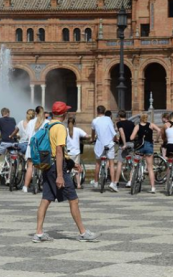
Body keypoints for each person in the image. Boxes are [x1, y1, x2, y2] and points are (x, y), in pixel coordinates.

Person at [33, 101, 100, 243]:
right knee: (74, 199)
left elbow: (58, 152)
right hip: (56, 168)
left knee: (46, 199)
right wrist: (60, 175)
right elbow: (58, 151)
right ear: (63, 114)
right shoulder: (60, 128)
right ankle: (83, 233)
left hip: (47, 165)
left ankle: (38, 233)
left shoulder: (47, 125)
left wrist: (71, 163)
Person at [129, 114, 161, 193]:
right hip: (149, 146)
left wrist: (137, 136)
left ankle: (130, 181)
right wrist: (156, 139)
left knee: (135, 165)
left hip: (140, 146)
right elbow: (159, 130)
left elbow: (131, 138)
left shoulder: (137, 126)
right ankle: (153, 187)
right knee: (150, 167)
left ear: (140, 119)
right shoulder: (151, 125)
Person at [22, 106, 49, 193]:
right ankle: (44, 185)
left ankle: (25, 187)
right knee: (44, 167)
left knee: (30, 166)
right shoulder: (47, 122)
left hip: (31, 147)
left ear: (36, 113)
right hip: (42, 148)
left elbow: (26, 135)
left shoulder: (30, 122)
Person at [91, 105, 117, 192]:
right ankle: (113, 183)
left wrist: (92, 139)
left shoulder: (94, 121)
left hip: (99, 144)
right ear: (104, 111)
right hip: (109, 143)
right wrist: (116, 139)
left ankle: (95, 181)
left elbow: (93, 132)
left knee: (97, 163)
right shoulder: (108, 119)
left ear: (97, 111)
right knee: (111, 163)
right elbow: (112, 131)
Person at [66, 117, 90, 189]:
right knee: (77, 169)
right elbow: (86, 136)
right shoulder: (78, 130)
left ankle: (67, 183)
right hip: (76, 152)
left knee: (67, 169)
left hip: (68, 152)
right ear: (74, 123)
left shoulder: (65, 130)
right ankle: (78, 184)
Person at [114, 110, 135, 187]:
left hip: (123, 144)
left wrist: (124, 143)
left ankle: (116, 181)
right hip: (131, 143)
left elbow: (122, 133)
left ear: (119, 116)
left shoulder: (119, 123)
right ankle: (130, 180)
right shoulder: (132, 123)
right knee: (132, 163)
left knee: (120, 163)